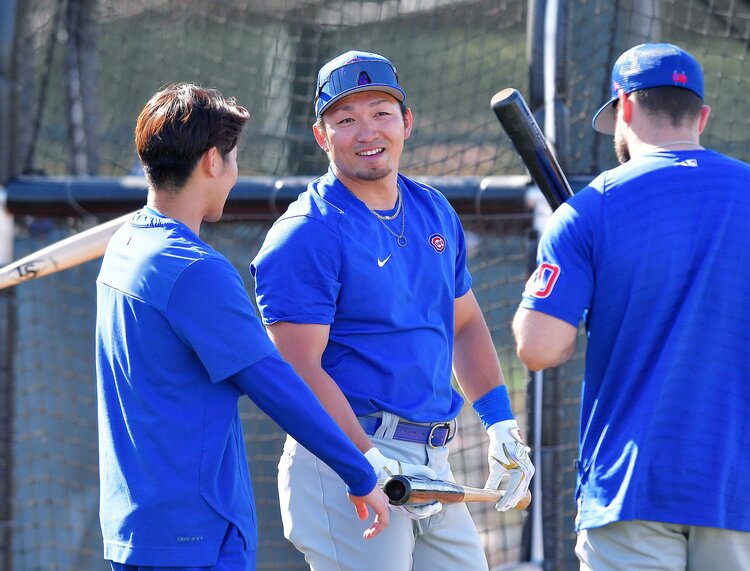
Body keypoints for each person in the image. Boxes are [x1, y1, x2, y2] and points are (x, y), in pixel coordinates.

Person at [250, 51, 535, 571]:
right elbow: (297, 370)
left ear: (406, 122)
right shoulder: (305, 233)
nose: (366, 131)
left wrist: (501, 429)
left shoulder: (431, 207)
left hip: (434, 462)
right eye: (345, 119)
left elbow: (465, 323)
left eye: (381, 112)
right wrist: (367, 462)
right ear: (321, 136)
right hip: (348, 459)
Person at [95, 82, 390, 571]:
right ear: (213, 161)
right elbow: (277, 385)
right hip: (196, 537)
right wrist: (361, 473)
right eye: (233, 159)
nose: (234, 173)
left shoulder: (124, 246)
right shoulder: (194, 269)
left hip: (134, 529)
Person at [512, 43, 750, 570]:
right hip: (739, 486)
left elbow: (539, 348)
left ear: (624, 107)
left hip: (629, 486)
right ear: (702, 115)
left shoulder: (589, 210)